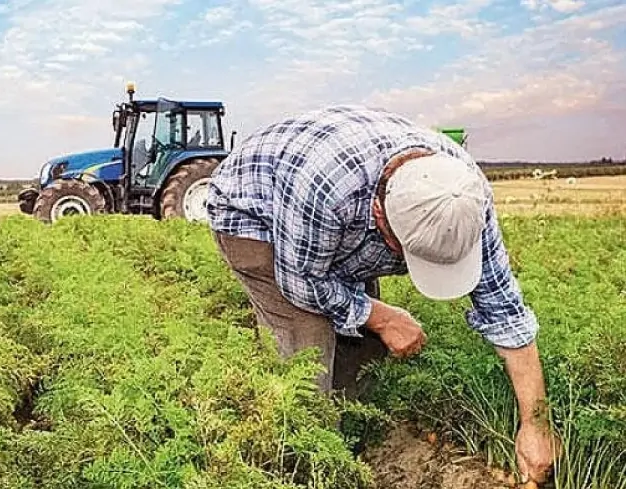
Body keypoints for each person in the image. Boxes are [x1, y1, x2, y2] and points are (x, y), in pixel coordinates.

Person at [205, 105, 559, 484]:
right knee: (307, 354)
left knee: (363, 345)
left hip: (333, 221)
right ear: (379, 215)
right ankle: (302, 462)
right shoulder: (327, 190)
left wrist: (535, 423)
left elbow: (505, 311)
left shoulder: (464, 194)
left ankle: (359, 443)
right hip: (256, 216)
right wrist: (384, 316)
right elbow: (302, 282)